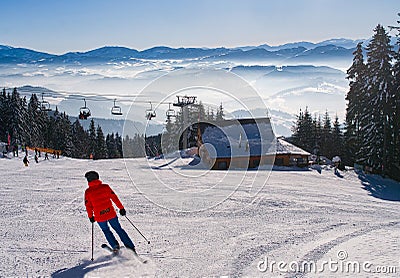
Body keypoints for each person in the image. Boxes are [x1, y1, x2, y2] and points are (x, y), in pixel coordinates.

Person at [84, 171, 136, 253]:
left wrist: (91, 216)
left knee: (106, 230)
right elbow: (114, 198)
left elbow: (88, 206)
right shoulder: (105, 187)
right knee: (118, 229)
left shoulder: (88, 192)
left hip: (100, 216)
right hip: (111, 214)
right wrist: (121, 208)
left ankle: (115, 246)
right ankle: (130, 247)